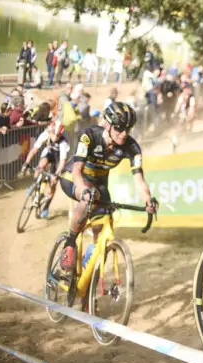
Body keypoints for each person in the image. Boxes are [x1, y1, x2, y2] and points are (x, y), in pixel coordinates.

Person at [57, 102, 156, 278]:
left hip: (99, 184)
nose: (124, 134)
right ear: (108, 124)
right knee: (89, 196)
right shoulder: (89, 136)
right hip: (73, 178)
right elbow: (77, 171)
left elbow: (139, 179)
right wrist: (84, 191)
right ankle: (69, 244)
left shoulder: (132, 148)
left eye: (128, 129)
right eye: (119, 128)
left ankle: (88, 280)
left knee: (103, 234)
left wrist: (148, 200)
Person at [21, 121, 70, 218]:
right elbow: (34, 150)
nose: (55, 137)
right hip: (49, 153)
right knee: (41, 165)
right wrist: (26, 163)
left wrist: (56, 174)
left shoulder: (63, 142)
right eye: (54, 134)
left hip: (58, 159)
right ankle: (34, 184)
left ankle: (46, 206)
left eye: (58, 135)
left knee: (53, 183)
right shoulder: (45, 134)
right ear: (50, 131)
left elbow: (62, 162)